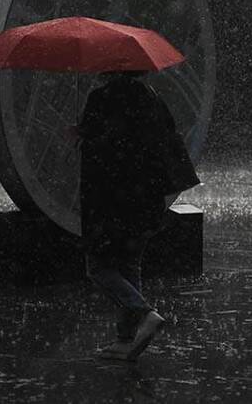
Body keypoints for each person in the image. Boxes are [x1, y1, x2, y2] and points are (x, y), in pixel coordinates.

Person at [75, 70, 201, 361]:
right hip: (144, 198)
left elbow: (103, 147)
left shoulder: (102, 97)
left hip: (110, 198)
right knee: (129, 263)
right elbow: (163, 141)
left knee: (98, 267)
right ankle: (126, 339)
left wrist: (81, 133)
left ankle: (144, 313)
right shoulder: (151, 97)